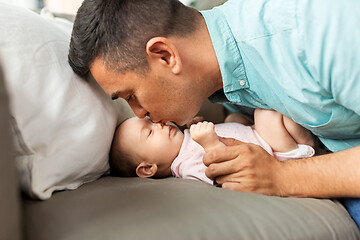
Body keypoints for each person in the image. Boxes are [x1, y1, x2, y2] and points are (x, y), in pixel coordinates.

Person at [68, 0, 360, 227]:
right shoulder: (217, 82)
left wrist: (284, 176)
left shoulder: (311, 29)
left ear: (165, 55)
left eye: (131, 95)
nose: (141, 112)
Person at [109, 110, 316, 183]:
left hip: (257, 136)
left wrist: (196, 127)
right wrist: (210, 143)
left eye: (153, 121)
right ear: (148, 168)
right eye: (150, 132)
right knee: (265, 114)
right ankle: (307, 147)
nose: (160, 125)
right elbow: (221, 175)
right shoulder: (186, 167)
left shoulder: (185, 144)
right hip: (275, 154)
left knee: (234, 117)